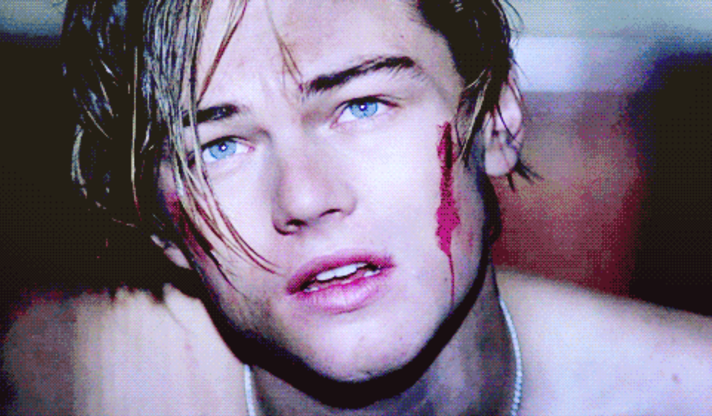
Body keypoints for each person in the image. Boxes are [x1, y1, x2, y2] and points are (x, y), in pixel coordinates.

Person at [4, 0, 711, 414]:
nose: (305, 198)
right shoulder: (70, 382)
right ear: (161, 221)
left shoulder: (682, 393)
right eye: (219, 147)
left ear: (495, 118)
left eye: (362, 105)